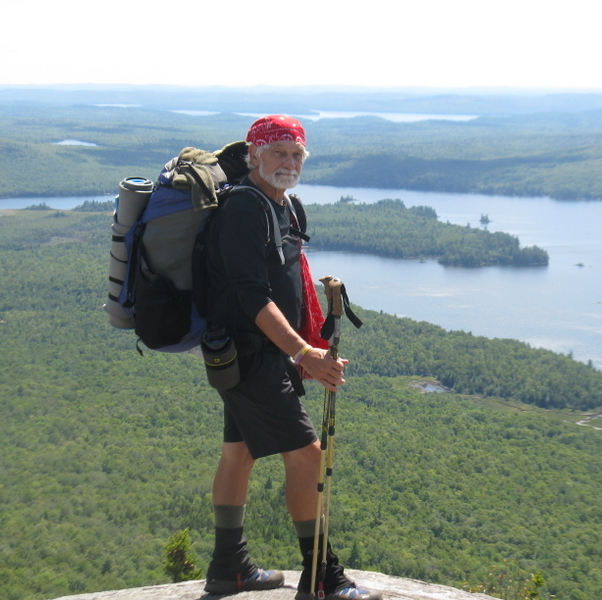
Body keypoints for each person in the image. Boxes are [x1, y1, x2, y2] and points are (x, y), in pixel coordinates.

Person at [202, 115, 381, 600]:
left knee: (238, 454)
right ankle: (322, 576)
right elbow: (250, 296)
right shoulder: (245, 208)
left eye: (297, 154)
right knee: (308, 456)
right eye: (278, 151)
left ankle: (228, 569)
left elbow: (281, 278)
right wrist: (304, 353)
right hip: (252, 356)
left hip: (250, 355)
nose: (289, 162)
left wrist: (305, 339)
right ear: (253, 156)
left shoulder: (282, 206)